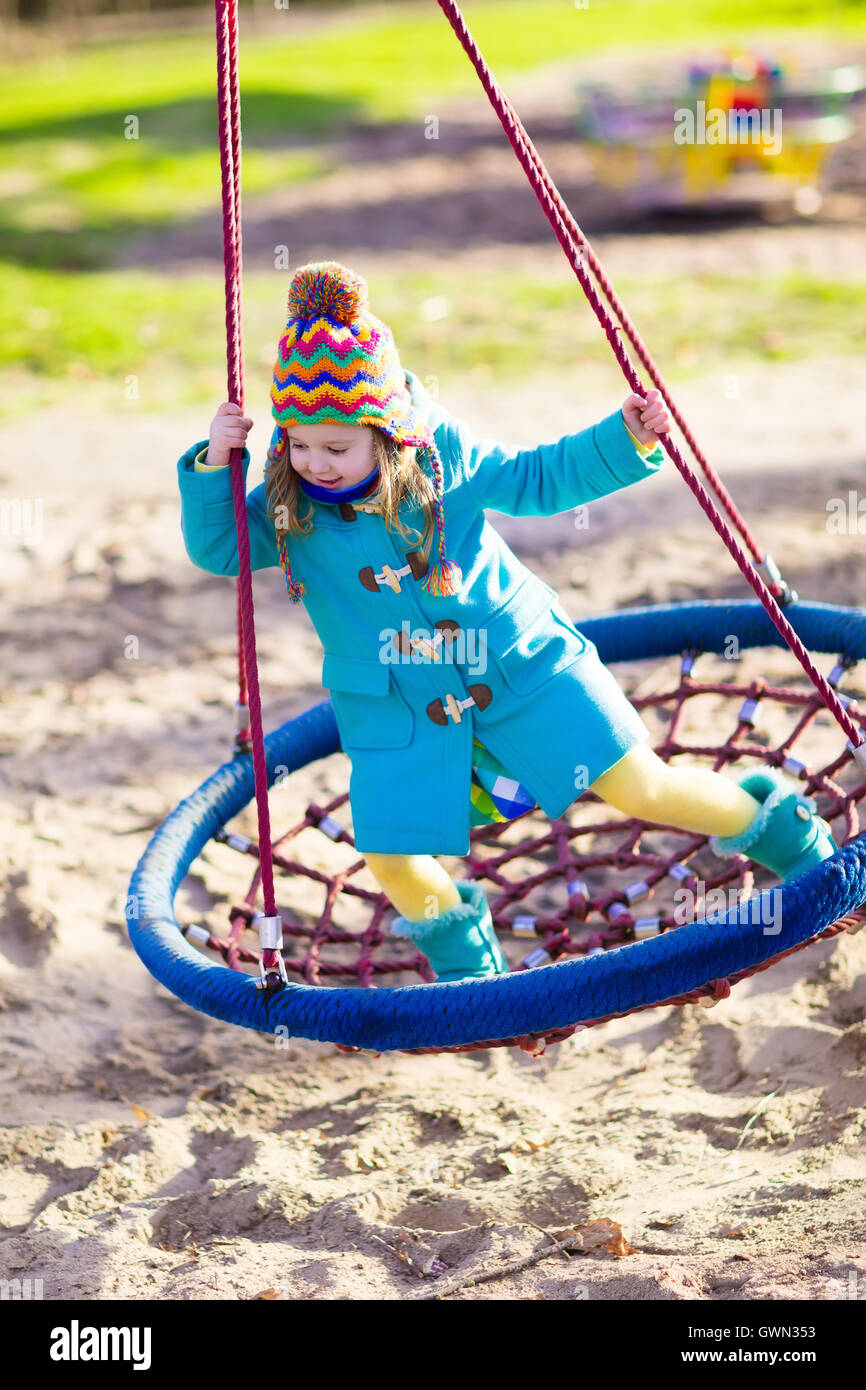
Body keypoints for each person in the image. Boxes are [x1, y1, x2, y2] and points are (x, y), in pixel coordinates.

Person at [177, 261, 836, 982]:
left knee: (639, 787)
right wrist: (217, 460)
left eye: (337, 447)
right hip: (399, 709)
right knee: (389, 853)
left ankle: (777, 827)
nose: (317, 464)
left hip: (522, 670)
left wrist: (625, 438)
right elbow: (219, 551)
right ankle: (467, 962)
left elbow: (537, 477)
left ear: (386, 430)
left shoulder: (440, 458)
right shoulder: (288, 505)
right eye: (299, 445)